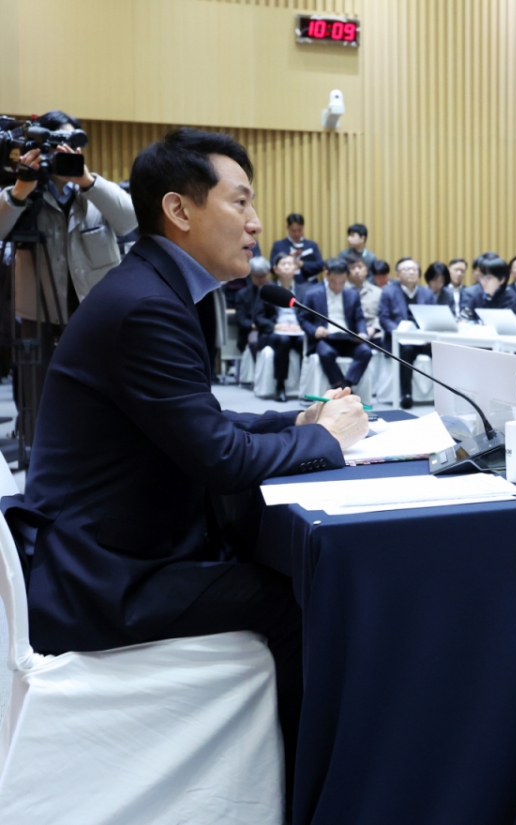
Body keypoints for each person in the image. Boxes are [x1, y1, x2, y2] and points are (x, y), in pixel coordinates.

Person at [11, 129, 368, 809]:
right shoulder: (147, 304)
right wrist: (331, 444)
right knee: (294, 598)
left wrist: (293, 421)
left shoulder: (152, 285)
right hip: (100, 575)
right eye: (241, 202)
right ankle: (308, 798)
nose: (257, 222)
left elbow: (196, 423)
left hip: (104, 547)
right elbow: (221, 459)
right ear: (179, 210)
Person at [0, 110, 139, 438]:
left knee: (101, 387)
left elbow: (131, 220)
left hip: (96, 309)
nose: (65, 152)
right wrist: (20, 189)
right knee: (41, 391)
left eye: (71, 143)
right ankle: (40, 451)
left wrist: (87, 182)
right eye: (55, 144)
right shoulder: (24, 192)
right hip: (39, 313)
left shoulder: (93, 194)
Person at [300, 257, 373, 389]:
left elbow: (359, 318)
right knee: (326, 353)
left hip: (348, 338)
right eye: (333, 282)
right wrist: (315, 330)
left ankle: (346, 385)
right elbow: (303, 319)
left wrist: (362, 332)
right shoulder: (312, 293)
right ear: (326, 273)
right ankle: (340, 386)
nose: (337, 286)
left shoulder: (352, 294)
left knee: (366, 351)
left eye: (342, 282)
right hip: (326, 338)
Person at [378, 257, 436, 408]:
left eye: (414, 269)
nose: (411, 272)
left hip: (423, 339)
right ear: (397, 274)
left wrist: (428, 335)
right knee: (407, 351)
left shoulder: (427, 293)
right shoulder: (388, 292)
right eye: (406, 269)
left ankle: (443, 393)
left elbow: (433, 317)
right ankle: (406, 394)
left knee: (441, 351)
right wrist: (399, 332)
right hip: (400, 340)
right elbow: (384, 319)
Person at [255, 251, 308, 401]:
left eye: (289, 264)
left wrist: (301, 327)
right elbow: (258, 317)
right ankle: (280, 386)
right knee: (283, 341)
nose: (286, 267)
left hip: (299, 332)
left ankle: (305, 387)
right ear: (275, 269)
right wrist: (275, 327)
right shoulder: (267, 290)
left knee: (304, 343)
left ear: (296, 269)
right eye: (282, 264)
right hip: (276, 333)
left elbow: (310, 315)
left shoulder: (305, 290)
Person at [459, 251, 516, 320]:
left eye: (488, 278)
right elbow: (463, 318)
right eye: (481, 277)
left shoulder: (509, 297)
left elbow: (510, 325)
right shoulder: (478, 295)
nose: (483, 282)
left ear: (501, 280)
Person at [269, 213, 324, 284]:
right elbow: (272, 267)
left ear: (303, 228)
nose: (297, 234)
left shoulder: (312, 245)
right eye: (293, 231)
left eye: (300, 230)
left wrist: (302, 264)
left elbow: (320, 265)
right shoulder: (279, 245)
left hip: (309, 284)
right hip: (285, 285)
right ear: (287, 227)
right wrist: (288, 257)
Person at [234, 254, 271, 355]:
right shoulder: (242, 294)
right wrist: (255, 326)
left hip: (271, 328)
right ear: (250, 275)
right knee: (255, 342)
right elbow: (241, 320)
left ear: (268, 273)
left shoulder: (275, 291)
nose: (261, 279)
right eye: (257, 276)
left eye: (263, 276)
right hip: (251, 330)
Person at [348, 257, 383, 342]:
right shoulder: (342, 292)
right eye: (352, 268)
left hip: (373, 333)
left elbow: (382, 315)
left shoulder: (378, 292)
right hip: (349, 333)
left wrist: (374, 328)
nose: (357, 271)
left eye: (360, 267)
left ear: (366, 270)